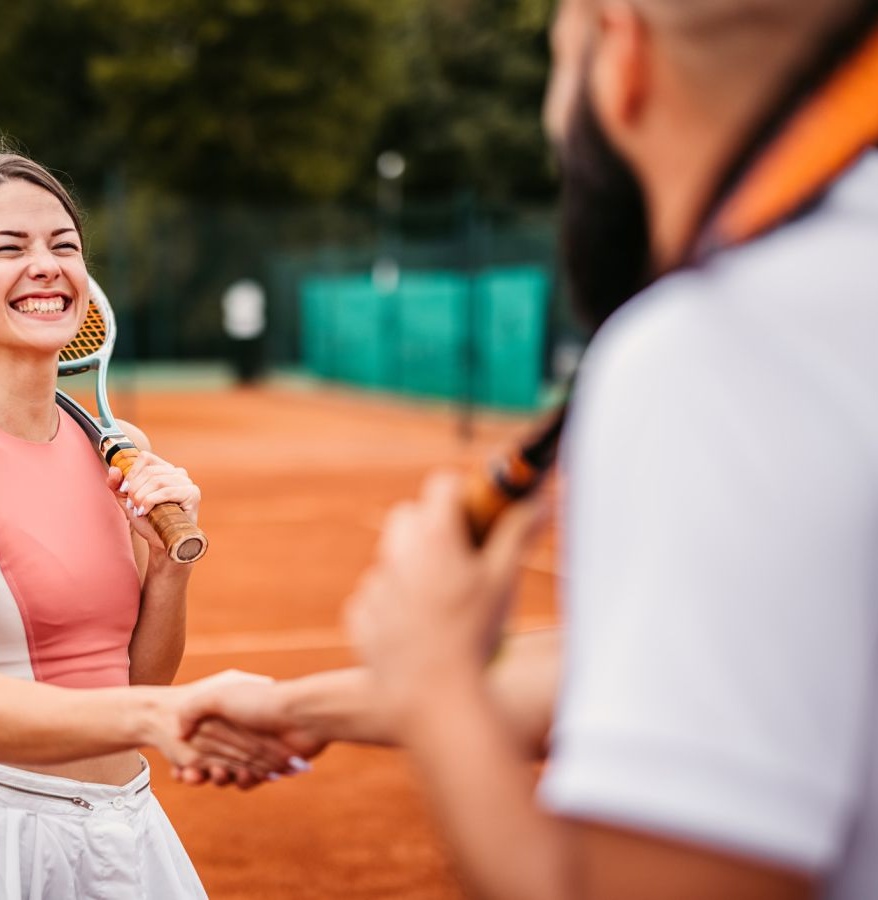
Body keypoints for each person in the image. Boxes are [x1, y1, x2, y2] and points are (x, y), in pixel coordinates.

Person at [184, 0, 878, 896]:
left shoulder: (719, 347)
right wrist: (298, 707)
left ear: (620, 55)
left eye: (557, 64)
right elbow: (663, 679)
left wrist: (435, 681)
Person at [0, 147, 304, 899]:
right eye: (9, 247)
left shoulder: (119, 452)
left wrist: (170, 570)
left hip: (128, 829)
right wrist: (164, 714)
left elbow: (135, 679)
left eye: (64, 245)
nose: (46, 265)